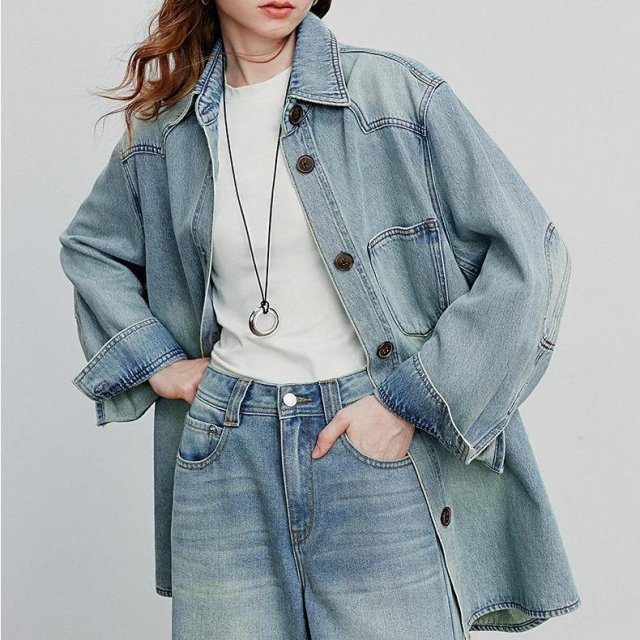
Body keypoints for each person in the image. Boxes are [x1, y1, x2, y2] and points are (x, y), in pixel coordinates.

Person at [58, 1, 582, 638]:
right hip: (227, 453)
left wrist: (410, 404)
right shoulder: (166, 128)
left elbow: (531, 256)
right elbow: (91, 246)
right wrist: (158, 364)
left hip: (370, 444)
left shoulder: (392, 95)